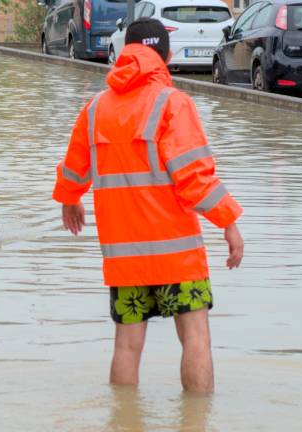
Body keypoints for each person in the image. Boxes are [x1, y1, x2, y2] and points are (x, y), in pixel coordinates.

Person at [52, 18, 244, 393]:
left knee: (126, 344)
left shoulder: (95, 109)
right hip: (178, 252)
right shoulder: (173, 103)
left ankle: (124, 420)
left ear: (125, 52)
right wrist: (229, 222)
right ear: (167, 55)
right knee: (195, 339)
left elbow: (74, 167)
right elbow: (194, 177)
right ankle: (196, 420)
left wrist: (69, 200)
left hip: (124, 255)